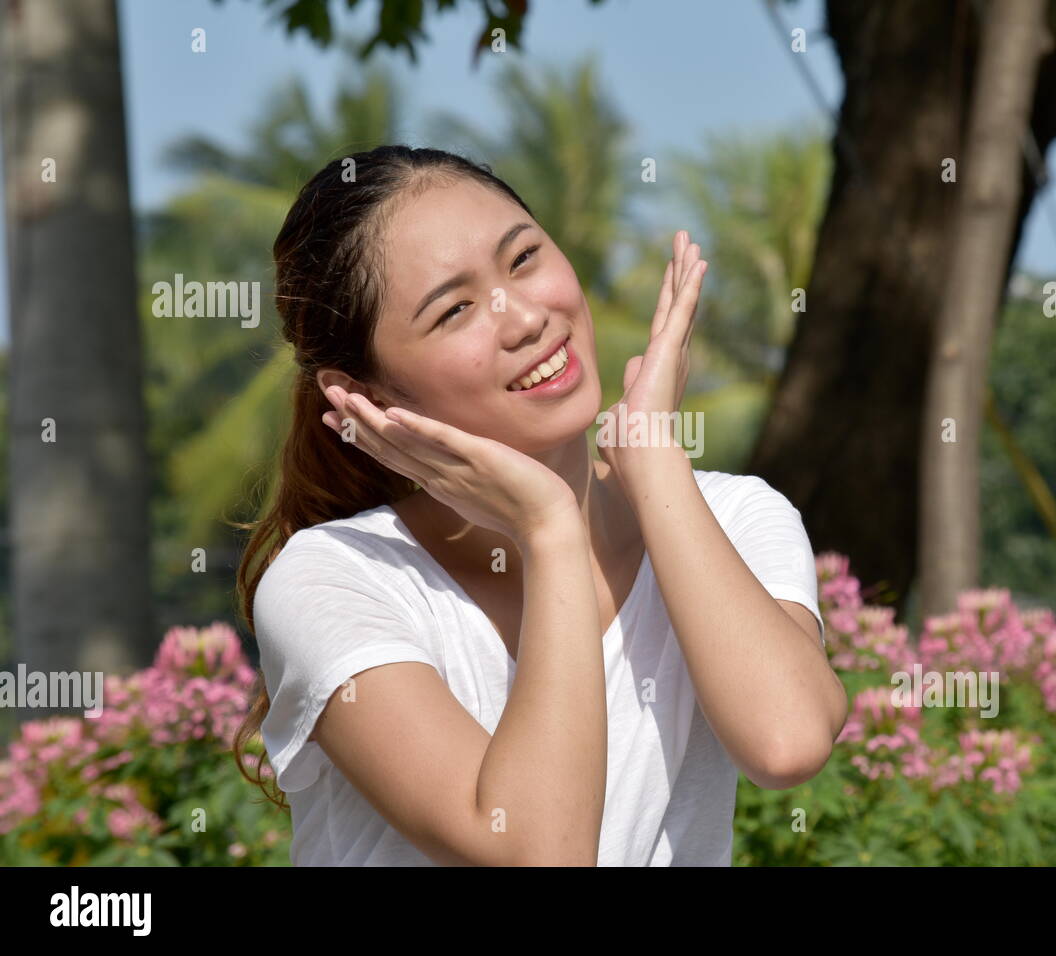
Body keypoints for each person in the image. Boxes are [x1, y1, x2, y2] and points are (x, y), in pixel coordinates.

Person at [232, 145, 846, 866]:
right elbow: (537, 852)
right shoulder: (333, 579)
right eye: (455, 310)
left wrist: (651, 453)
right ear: (367, 398)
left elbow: (786, 740)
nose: (523, 318)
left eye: (523, 258)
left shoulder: (734, 516)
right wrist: (549, 530)